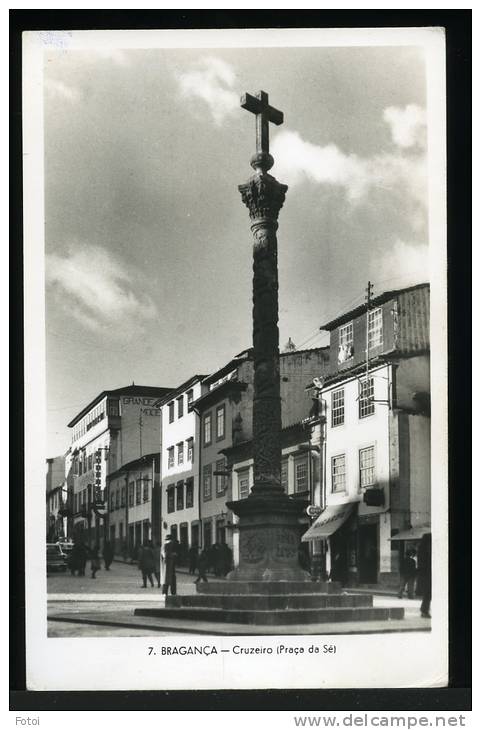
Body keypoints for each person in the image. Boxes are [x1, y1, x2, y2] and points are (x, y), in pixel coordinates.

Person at [417, 533, 432, 618]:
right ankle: (424, 610)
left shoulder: (422, 546)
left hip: (427, 573)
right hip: (428, 573)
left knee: (428, 593)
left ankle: (424, 610)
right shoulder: (427, 543)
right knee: (428, 593)